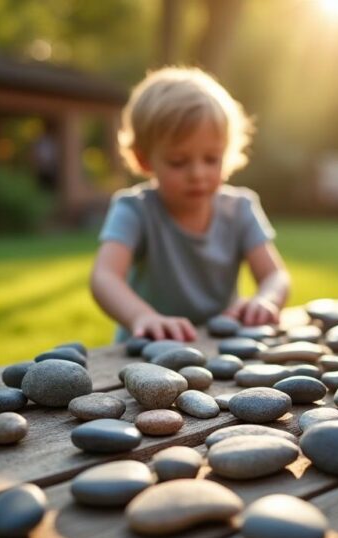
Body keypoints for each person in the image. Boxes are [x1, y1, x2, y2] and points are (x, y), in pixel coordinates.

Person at [91, 67, 290, 342]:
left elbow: (275, 275)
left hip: (219, 344)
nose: (198, 173)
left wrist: (265, 300)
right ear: (144, 159)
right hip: (148, 350)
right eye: (178, 161)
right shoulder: (134, 210)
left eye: (211, 159)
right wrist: (142, 317)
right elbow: (105, 277)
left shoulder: (241, 208)